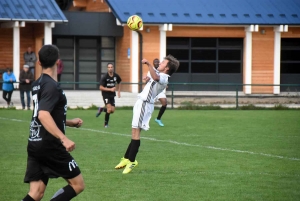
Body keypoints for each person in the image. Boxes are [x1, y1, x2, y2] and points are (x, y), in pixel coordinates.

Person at [22, 45, 85, 201]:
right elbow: (43, 115)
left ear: (39, 63)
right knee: (77, 185)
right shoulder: (52, 86)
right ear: (58, 62)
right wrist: (64, 138)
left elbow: (45, 113)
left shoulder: (37, 83)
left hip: (35, 143)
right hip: (50, 145)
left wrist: (69, 122)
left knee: (36, 193)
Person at [114, 55, 179, 174]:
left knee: (136, 132)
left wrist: (149, 64)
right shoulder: (159, 75)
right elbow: (153, 79)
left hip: (145, 105)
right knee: (134, 132)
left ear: (167, 68)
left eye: (163, 62)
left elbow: (156, 77)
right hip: (141, 103)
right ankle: (126, 158)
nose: (160, 63)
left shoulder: (164, 77)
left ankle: (132, 161)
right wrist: (148, 79)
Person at [96, 63, 122, 128]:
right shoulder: (105, 77)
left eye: (111, 67)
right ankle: (105, 124)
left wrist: (119, 91)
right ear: (107, 68)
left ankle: (101, 109)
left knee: (112, 110)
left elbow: (120, 82)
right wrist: (110, 89)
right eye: (109, 67)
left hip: (112, 95)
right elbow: (100, 87)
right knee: (109, 109)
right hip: (105, 94)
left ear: (113, 68)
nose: (110, 68)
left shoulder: (116, 76)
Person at [152, 58, 168, 127]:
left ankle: (158, 119)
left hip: (159, 91)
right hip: (153, 90)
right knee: (147, 106)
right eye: (155, 62)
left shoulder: (161, 70)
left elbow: (163, 78)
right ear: (153, 63)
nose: (157, 63)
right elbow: (150, 78)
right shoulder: (151, 70)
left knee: (164, 103)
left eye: (157, 62)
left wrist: (165, 84)